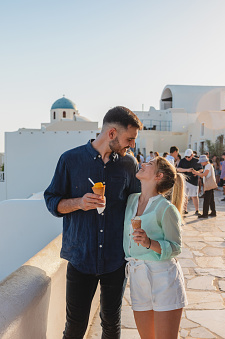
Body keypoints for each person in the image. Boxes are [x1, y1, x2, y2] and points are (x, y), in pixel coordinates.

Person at [44, 106, 142, 339]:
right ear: (111, 134)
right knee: (75, 327)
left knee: (111, 324)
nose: (132, 145)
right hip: (80, 258)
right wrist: (79, 202)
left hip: (115, 261)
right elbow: (51, 202)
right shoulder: (70, 160)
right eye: (129, 139)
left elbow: (138, 206)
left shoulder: (129, 165)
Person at [124, 156, 187, 338]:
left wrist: (149, 243)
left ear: (158, 176)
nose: (143, 164)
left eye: (149, 164)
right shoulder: (131, 201)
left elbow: (175, 247)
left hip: (164, 278)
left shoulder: (166, 209)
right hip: (137, 275)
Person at [177, 149, 202, 215]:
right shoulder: (182, 161)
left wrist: (197, 173)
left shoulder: (196, 161)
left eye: (189, 157)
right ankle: (184, 210)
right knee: (185, 196)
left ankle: (197, 210)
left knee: (194, 196)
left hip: (193, 181)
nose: (187, 158)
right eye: (186, 157)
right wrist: (187, 170)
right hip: (185, 181)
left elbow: (201, 169)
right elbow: (178, 169)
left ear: (192, 155)